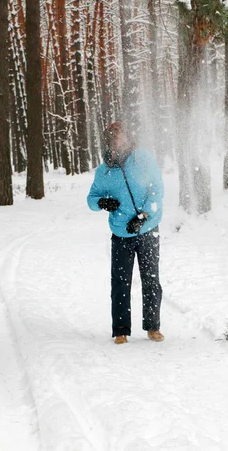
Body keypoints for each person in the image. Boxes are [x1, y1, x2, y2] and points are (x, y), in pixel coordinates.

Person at [87, 122, 164, 345]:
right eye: (112, 138)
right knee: (120, 282)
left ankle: (153, 327)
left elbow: (157, 190)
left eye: (120, 137)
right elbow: (91, 199)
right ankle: (120, 330)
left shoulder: (143, 159)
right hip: (121, 234)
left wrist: (143, 217)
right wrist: (101, 202)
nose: (117, 141)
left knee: (151, 279)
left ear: (129, 139)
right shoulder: (104, 171)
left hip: (147, 230)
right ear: (107, 142)